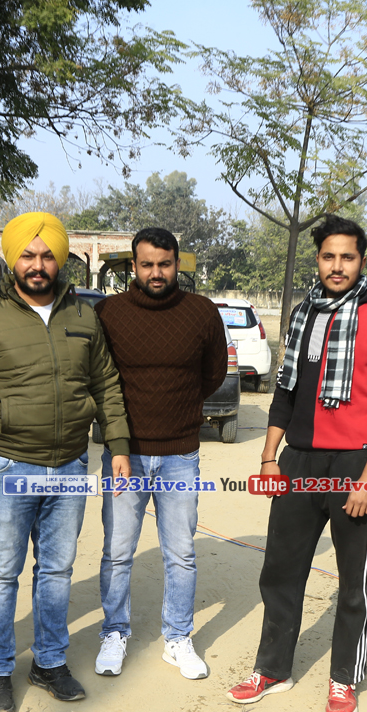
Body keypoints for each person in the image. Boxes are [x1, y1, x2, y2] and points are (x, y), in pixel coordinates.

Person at [225, 215, 367, 712]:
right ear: (318, 259)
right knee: (279, 572)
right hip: (298, 462)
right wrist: (269, 458)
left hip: (354, 465)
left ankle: (343, 678)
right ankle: (272, 669)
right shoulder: (305, 311)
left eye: (347, 257)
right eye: (329, 256)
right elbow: (285, 391)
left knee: (352, 582)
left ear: (362, 261)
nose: (337, 266)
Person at [0, 212, 131, 712]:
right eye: (27, 255)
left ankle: (49, 663)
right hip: (7, 466)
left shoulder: (83, 316)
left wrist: (118, 445)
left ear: (60, 259)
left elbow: (106, 384)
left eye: (48, 255)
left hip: (70, 465)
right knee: (1, 573)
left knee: (56, 571)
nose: (37, 264)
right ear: (13, 259)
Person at [92, 227, 228, 680]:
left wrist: (180, 409)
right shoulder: (109, 313)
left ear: (177, 265)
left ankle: (178, 638)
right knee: (117, 552)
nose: (156, 272)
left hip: (179, 455)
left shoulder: (202, 313)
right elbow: (99, 379)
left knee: (181, 553)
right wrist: (119, 439)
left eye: (164, 264)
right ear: (134, 266)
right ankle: (114, 632)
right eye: (147, 264)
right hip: (124, 456)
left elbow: (212, 375)